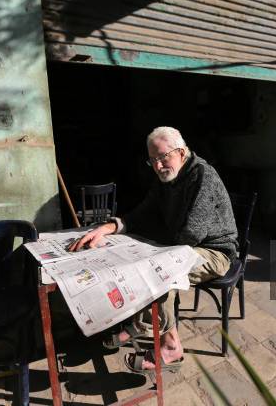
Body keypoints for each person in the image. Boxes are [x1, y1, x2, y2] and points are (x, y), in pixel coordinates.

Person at [68, 126, 238, 373]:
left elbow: (191, 234)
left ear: (180, 152)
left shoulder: (203, 176)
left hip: (214, 251)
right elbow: (144, 212)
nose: (158, 166)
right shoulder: (166, 179)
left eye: (163, 157)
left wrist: (153, 249)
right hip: (184, 244)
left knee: (162, 273)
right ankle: (141, 323)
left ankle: (170, 347)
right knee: (144, 265)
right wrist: (109, 227)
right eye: (153, 161)